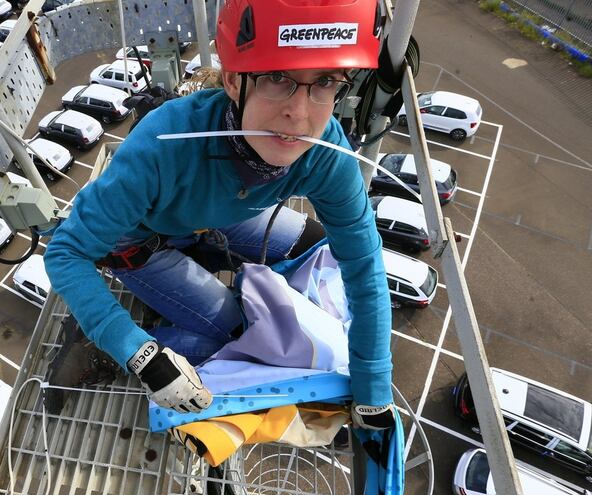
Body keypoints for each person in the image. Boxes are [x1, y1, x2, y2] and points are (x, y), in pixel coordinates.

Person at [44, 0, 396, 430]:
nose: (300, 115)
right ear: (233, 80)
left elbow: (362, 263)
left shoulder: (324, 153)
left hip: (208, 213)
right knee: (238, 331)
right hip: (139, 241)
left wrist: (373, 387)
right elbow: (66, 252)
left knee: (315, 242)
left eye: (324, 81)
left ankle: (204, 253)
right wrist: (137, 352)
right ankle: (98, 349)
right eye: (276, 77)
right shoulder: (164, 142)